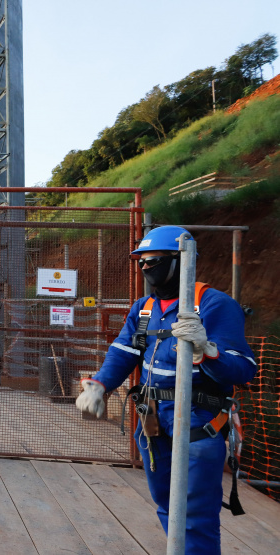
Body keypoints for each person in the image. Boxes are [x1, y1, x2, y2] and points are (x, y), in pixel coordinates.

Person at [76, 225, 258, 554]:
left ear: (179, 260)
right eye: (141, 262)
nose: (146, 268)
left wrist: (209, 350)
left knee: (194, 515)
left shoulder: (215, 305)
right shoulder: (144, 309)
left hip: (198, 420)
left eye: (154, 261)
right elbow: (124, 350)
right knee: (166, 504)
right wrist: (100, 385)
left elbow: (244, 368)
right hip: (152, 420)